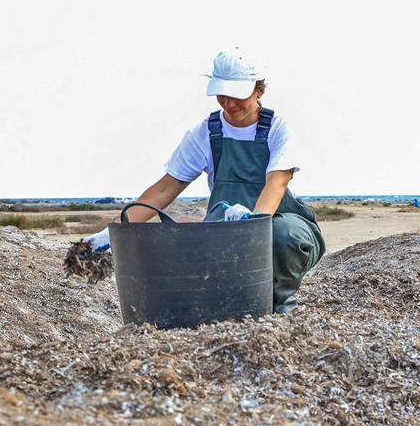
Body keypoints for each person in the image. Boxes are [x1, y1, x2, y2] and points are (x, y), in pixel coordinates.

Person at [76, 48, 324, 313]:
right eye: (222, 95)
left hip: (276, 222)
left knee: (284, 236)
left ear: (259, 90)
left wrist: (252, 223)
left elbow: (277, 182)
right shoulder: (206, 132)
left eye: (237, 95)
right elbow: (166, 187)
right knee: (198, 249)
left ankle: (280, 305)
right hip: (225, 225)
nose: (229, 103)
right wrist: (112, 232)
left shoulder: (277, 127)